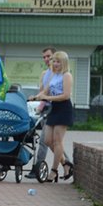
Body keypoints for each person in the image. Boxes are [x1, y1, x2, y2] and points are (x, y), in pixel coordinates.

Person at [34, 50, 74, 182]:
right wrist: (38, 96)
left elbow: (66, 95)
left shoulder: (66, 75)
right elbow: (45, 90)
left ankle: (54, 171)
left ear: (63, 63)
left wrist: (47, 97)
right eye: (54, 61)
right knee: (47, 140)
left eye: (58, 61)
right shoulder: (53, 75)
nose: (55, 64)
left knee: (57, 141)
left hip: (64, 108)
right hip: (54, 108)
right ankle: (65, 163)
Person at [26, 47, 56, 179]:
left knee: (45, 140)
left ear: (55, 56)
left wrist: (40, 100)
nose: (46, 59)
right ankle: (66, 164)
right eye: (44, 57)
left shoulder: (58, 74)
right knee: (51, 142)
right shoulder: (45, 74)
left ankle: (37, 168)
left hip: (55, 109)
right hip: (45, 108)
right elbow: (43, 92)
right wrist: (36, 99)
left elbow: (49, 93)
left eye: (48, 56)